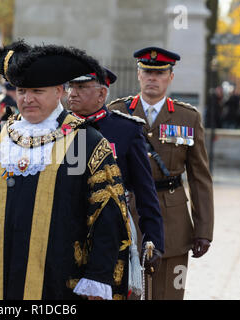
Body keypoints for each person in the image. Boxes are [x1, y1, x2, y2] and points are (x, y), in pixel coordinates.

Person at [0, 41, 131, 300]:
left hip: (58, 283)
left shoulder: (86, 141)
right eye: (22, 90)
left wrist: (97, 277)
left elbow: (108, 217)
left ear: (59, 91)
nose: (27, 99)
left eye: (37, 91)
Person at [108, 47, 214, 300]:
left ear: (170, 77)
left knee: (169, 293)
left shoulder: (187, 117)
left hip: (173, 218)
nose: (152, 78)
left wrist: (204, 230)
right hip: (129, 212)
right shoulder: (119, 112)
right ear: (138, 75)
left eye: (160, 73)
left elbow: (200, 177)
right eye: (147, 72)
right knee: (128, 291)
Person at [68, 68, 164, 298]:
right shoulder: (57, 129)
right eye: (71, 87)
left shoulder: (125, 129)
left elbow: (145, 191)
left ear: (102, 94)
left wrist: (153, 240)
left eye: (81, 87)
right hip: (66, 230)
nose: (72, 93)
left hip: (110, 234)